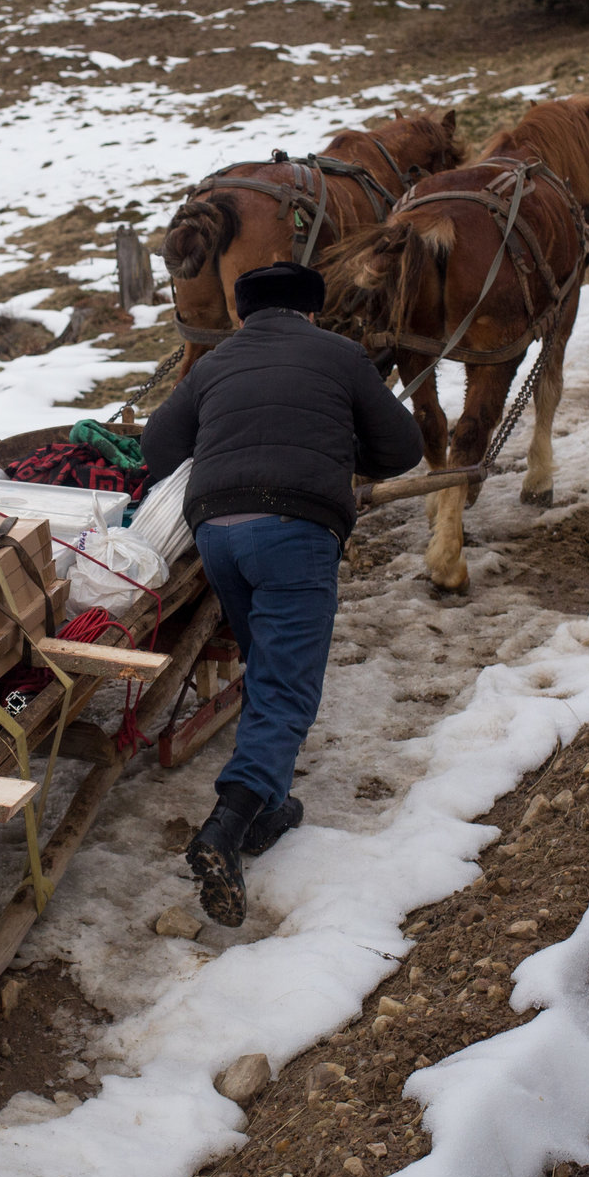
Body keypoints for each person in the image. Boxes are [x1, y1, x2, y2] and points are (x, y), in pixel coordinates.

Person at [141, 260, 426, 926]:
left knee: (266, 665)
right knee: (286, 686)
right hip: (294, 529)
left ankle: (270, 809)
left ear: (241, 314)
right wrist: (342, 454)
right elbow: (405, 447)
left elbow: (158, 447)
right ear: (312, 311)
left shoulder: (214, 362)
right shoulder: (342, 355)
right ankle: (226, 825)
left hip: (215, 532)